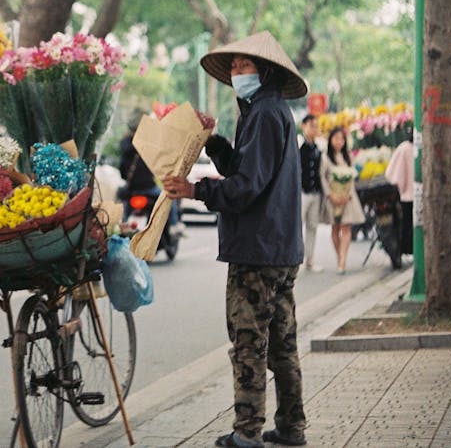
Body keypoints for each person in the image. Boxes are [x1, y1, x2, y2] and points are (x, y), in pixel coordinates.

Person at [161, 31, 308, 448]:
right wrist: (214, 143)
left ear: (265, 71)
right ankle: (292, 427)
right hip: (280, 249)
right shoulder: (266, 112)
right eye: (235, 66)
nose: (237, 72)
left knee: (249, 343)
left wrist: (196, 191)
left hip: (258, 252)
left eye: (244, 65)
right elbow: (244, 169)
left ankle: (247, 433)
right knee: (282, 344)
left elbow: (246, 187)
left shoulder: (263, 114)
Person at [119, 130, 183, 233]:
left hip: (131, 190)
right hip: (149, 188)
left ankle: (122, 226)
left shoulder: (125, 145)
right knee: (170, 197)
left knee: (122, 206)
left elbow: (122, 170)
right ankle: (174, 226)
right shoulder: (149, 144)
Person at [319, 126, 364, 274]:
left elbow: (351, 178)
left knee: (346, 227)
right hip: (332, 198)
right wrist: (330, 195)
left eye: (342, 139)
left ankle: (343, 260)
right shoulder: (326, 158)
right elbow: (323, 177)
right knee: (335, 228)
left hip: (347, 198)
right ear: (330, 140)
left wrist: (347, 195)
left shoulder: (349, 157)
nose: (339, 142)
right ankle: (339, 256)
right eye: (336, 138)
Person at [384, 121, 416, 262]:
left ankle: (407, 251)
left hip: (407, 196)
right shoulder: (409, 149)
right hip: (413, 196)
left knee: (408, 225)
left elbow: (392, 174)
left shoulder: (404, 148)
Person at [298, 115, 324, 272]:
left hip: (315, 193)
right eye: (311, 125)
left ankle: (310, 259)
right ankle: (295, 259)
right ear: (304, 126)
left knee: (312, 226)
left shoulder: (318, 148)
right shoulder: (297, 146)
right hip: (302, 193)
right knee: (297, 226)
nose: (314, 129)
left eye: (316, 126)